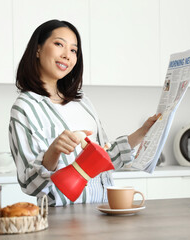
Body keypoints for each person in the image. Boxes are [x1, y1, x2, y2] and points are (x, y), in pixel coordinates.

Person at [9, 19, 160, 207]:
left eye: (74, 50)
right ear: (38, 49)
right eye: (59, 44)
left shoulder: (82, 102)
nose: (67, 55)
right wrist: (54, 151)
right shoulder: (25, 107)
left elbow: (105, 156)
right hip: (62, 219)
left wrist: (142, 132)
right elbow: (30, 184)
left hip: (104, 210)